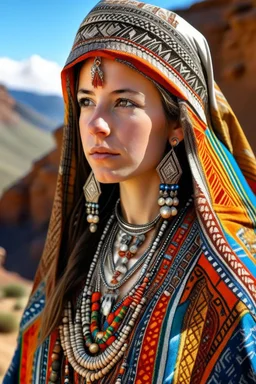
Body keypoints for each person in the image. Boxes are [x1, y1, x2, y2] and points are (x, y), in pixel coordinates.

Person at [4, 0, 256, 383]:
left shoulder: (229, 279)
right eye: (86, 101)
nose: (97, 125)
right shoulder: (71, 253)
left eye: (124, 102)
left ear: (177, 123)